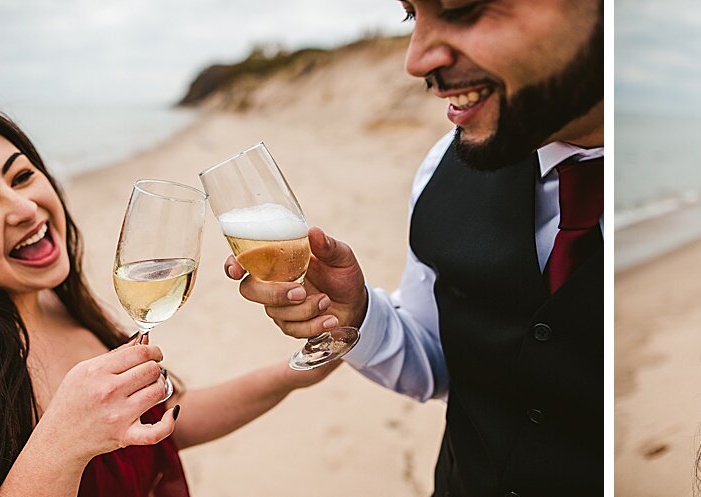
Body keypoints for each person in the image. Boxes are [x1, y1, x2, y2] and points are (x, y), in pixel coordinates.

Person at [0, 100, 339, 496]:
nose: (26, 207)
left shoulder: (55, 304)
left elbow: (159, 427)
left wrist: (295, 373)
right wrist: (62, 443)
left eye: (21, 176)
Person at [224, 0, 604, 495]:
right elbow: (439, 362)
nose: (416, 60)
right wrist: (356, 314)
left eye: (461, 9)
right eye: (410, 15)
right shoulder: (442, 168)